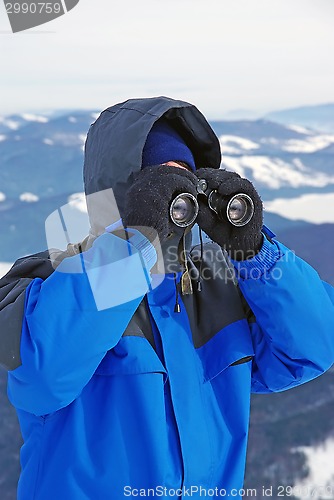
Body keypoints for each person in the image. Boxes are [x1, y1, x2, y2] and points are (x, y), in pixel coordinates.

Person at [1, 96, 334, 500]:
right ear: (121, 190)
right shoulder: (45, 282)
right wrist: (136, 245)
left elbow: (313, 347)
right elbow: (44, 375)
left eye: (184, 182)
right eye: (157, 182)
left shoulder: (214, 287)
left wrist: (254, 252)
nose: (175, 198)